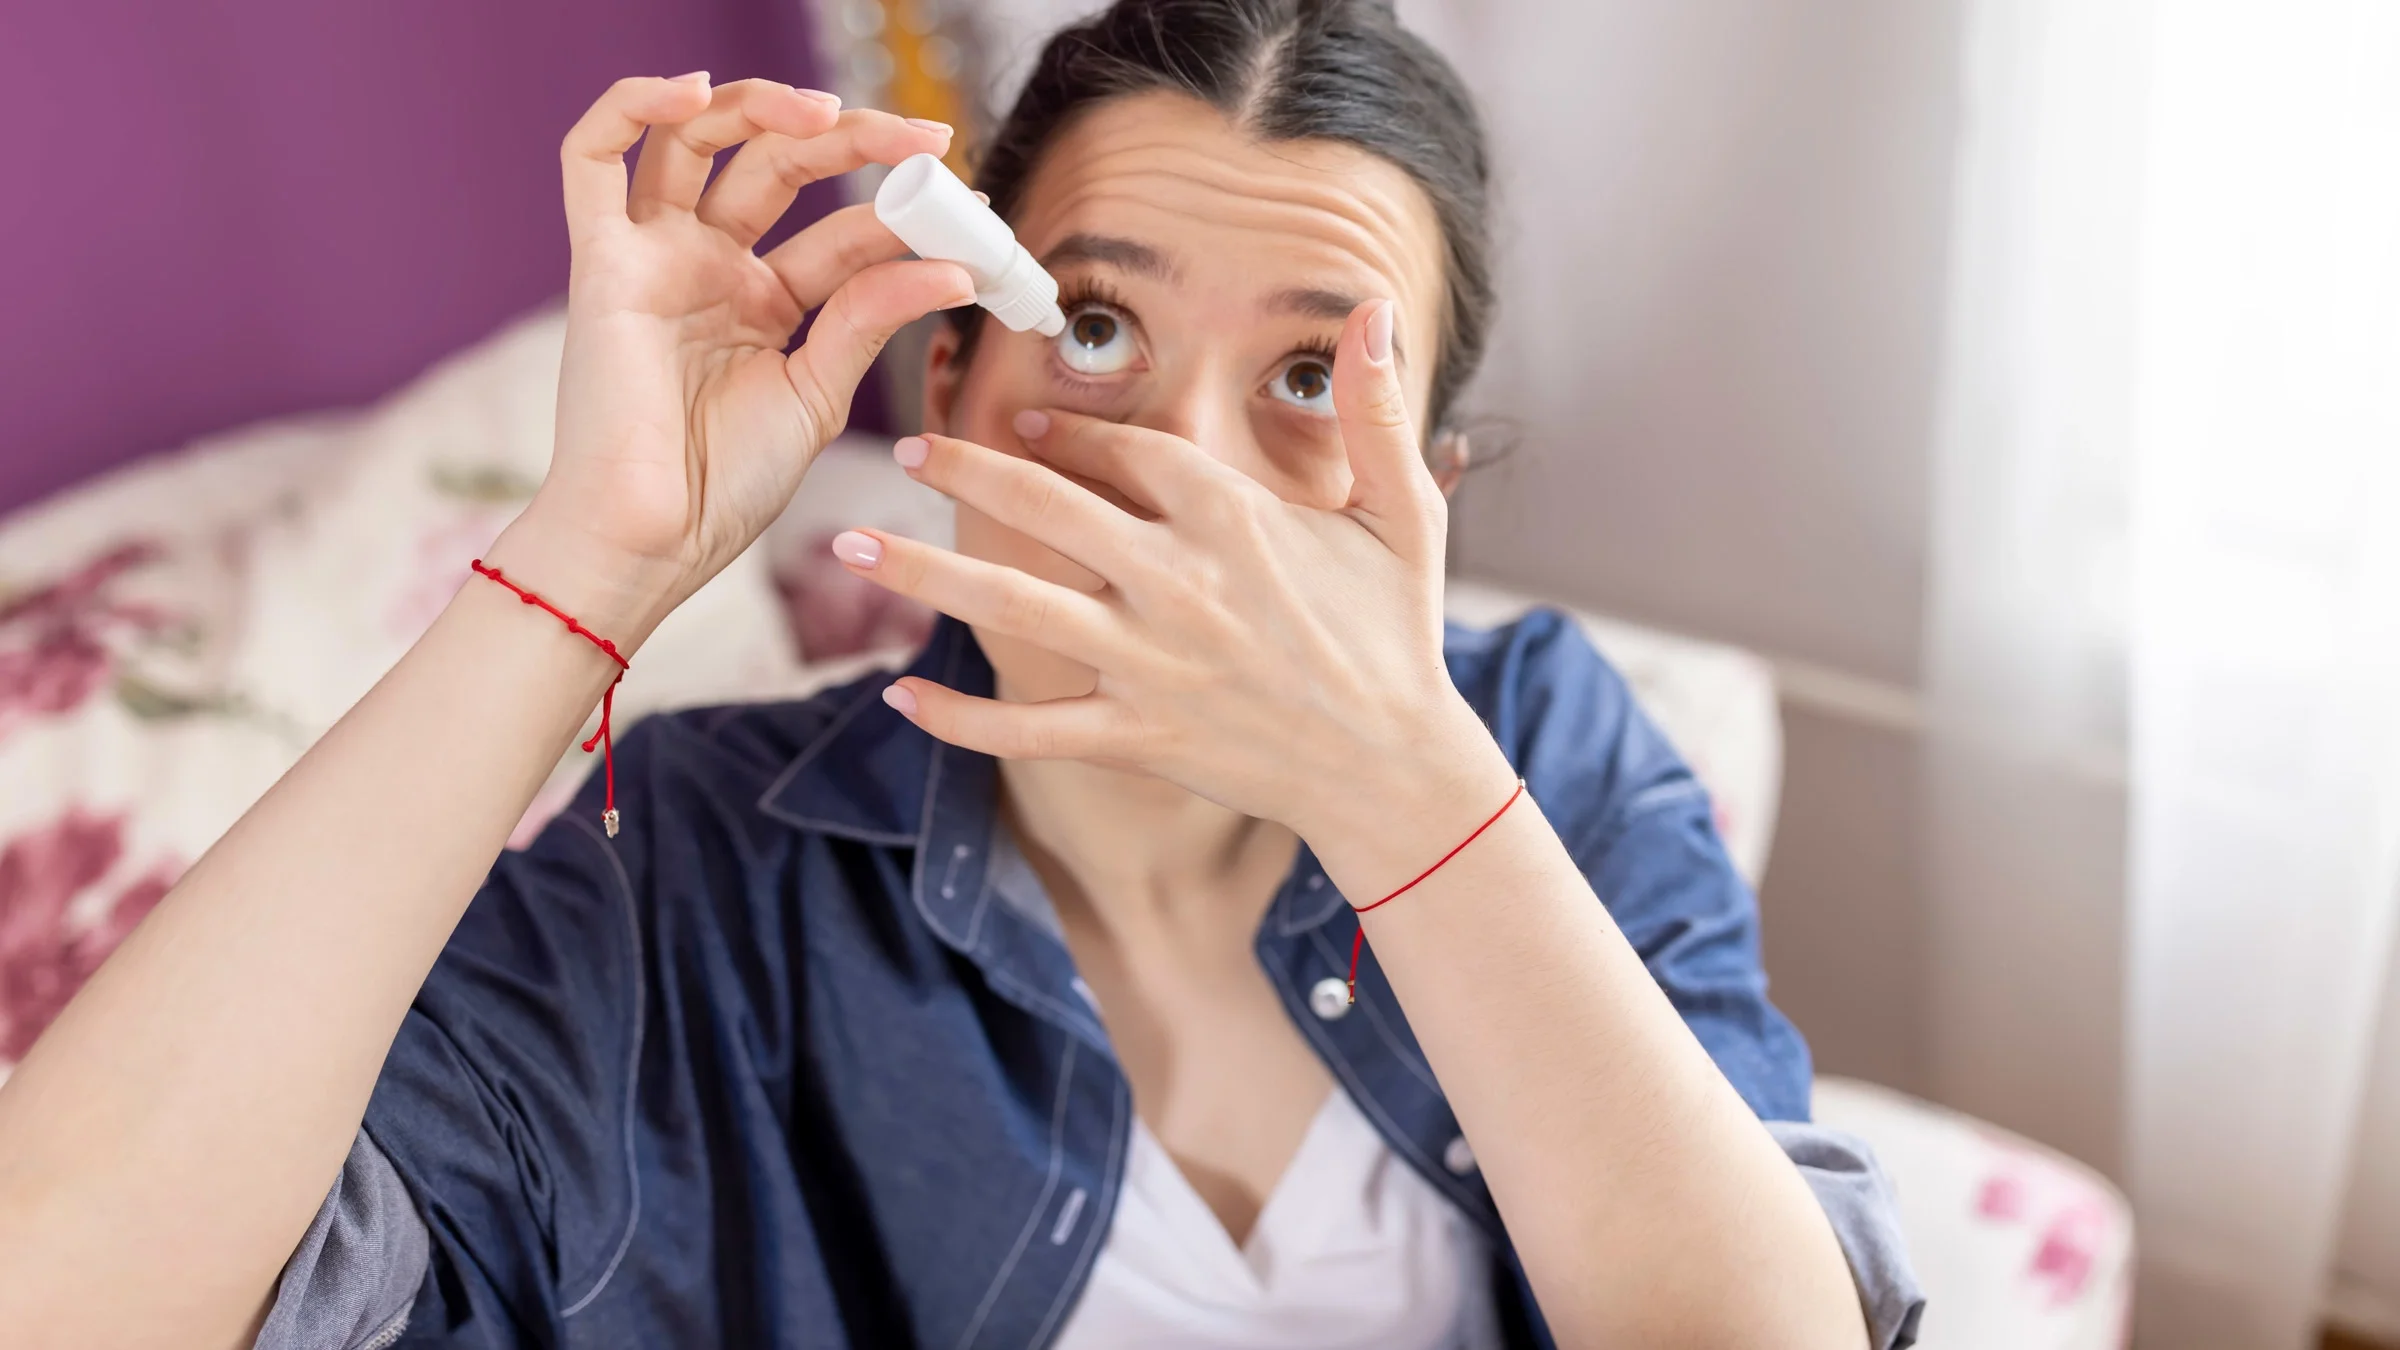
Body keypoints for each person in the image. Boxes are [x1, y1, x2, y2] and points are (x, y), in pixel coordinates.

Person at [0, 1, 1924, 1346]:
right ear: (950, 371)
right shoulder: (700, 879)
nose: (1176, 462)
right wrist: (588, 562)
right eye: (1091, 325)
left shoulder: (1548, 753)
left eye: (1309, 373)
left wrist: (1403, 783)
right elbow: (65, 1297)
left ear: (1426, 486)